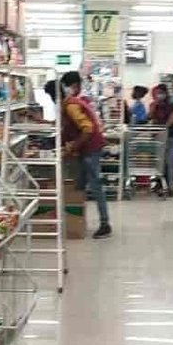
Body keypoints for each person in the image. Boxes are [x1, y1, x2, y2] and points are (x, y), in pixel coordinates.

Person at [59, 70, 111, 238]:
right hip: (88, 148)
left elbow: (87, 129)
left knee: (95, 185)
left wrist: (72, 148)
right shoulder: (74, 102)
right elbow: (68, 126)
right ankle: (76, 221)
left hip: (90, 149)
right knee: (80, 184)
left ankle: (105, 224)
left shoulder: (72, 105)